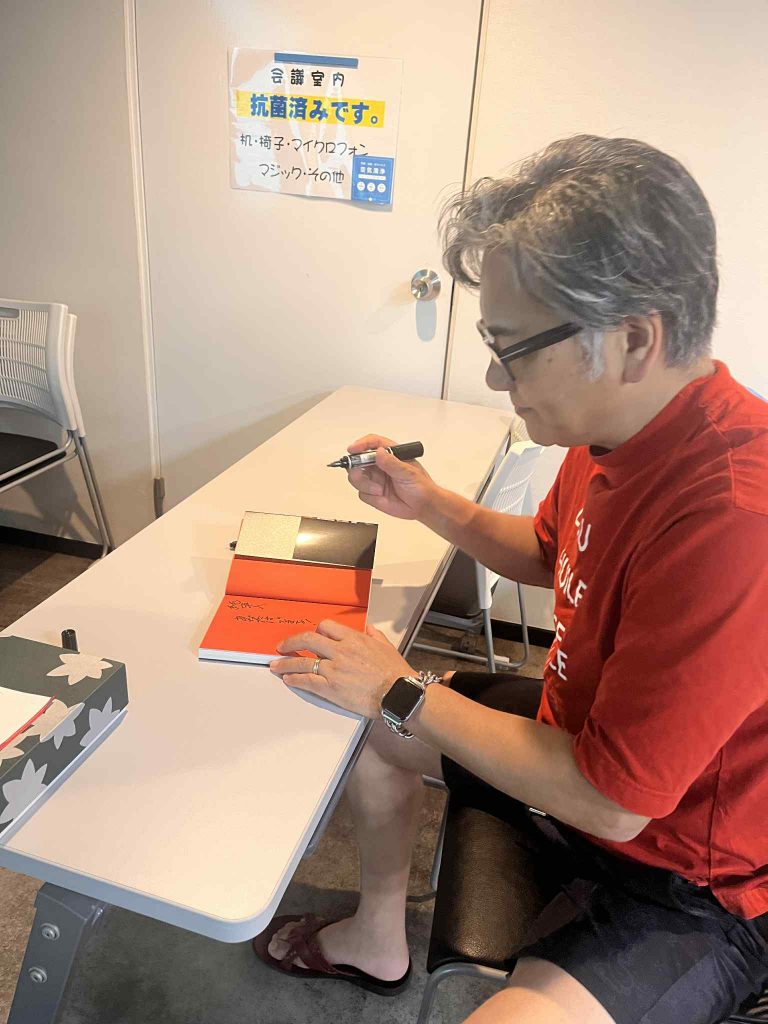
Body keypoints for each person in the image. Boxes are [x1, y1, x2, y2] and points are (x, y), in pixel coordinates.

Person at [252, 135, 768, 1024]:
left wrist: (402, 689)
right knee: (370, 726)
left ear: (632, 340)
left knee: (389, 704)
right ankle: (377, 938)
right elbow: (547, 550)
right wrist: (429, 502)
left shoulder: (734, 515)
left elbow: (612, 802)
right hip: (573, 739)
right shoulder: (614, 431)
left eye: (513, 348)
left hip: (688, 875)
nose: (497, 376)